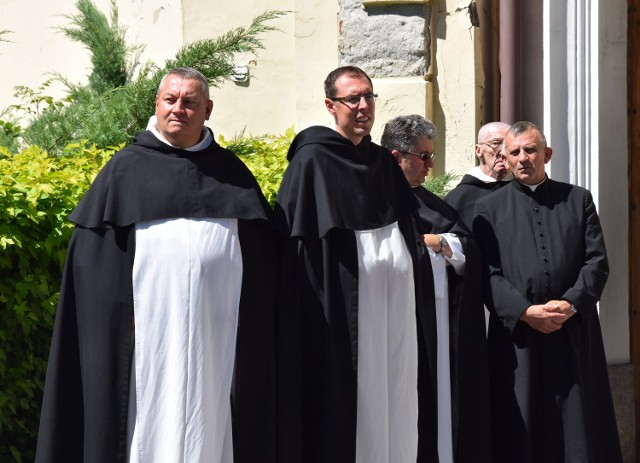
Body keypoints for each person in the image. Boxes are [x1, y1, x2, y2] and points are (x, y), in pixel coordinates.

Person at [36, 67, 277, 463]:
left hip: (217, 341)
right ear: (157, 104)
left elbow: (264, 266)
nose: (178, 108)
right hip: (145, 339)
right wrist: (120, 317)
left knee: (211, 424)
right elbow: (94, 268)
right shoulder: (125, 169)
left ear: (208, 110)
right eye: (170, 100)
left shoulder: (232, 174)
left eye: (190, 102)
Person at [275, 66, 438, 462]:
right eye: (353, 99)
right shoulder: (311, 160)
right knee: (351, 396)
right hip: (342, 307)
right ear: (331, 105)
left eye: (368, 96)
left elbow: (406, 225)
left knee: (395, 386)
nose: (363, 106)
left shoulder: (383, 162)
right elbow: (296, 246)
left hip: (392, 305)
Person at [473, 121, 622, 462]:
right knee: (520, 425)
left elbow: (596, 262)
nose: (523, 158)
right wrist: (526, 312)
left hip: (571, 330)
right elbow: (487, 275)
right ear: (505, 159)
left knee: (576, 423)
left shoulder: (577, 199)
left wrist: (570, 304)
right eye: (514, 152)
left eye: (530, 150)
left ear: (546, 154)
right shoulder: (489, 209)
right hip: (518, 338)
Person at [380, 114, 492, 463]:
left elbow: (465, 249)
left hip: (437, 328)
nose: (431, 164)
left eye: (431, 155)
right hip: (388, 325)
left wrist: (439, 243)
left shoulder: (431, 202)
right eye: (424, 156)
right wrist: (424, 246)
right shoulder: (370, 199)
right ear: (397, 156)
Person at [445, 121, 512, 228]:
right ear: (478, 150)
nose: (503, 151)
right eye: (496, 143)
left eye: (509, 144)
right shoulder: (459, 198)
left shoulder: (523, 190)